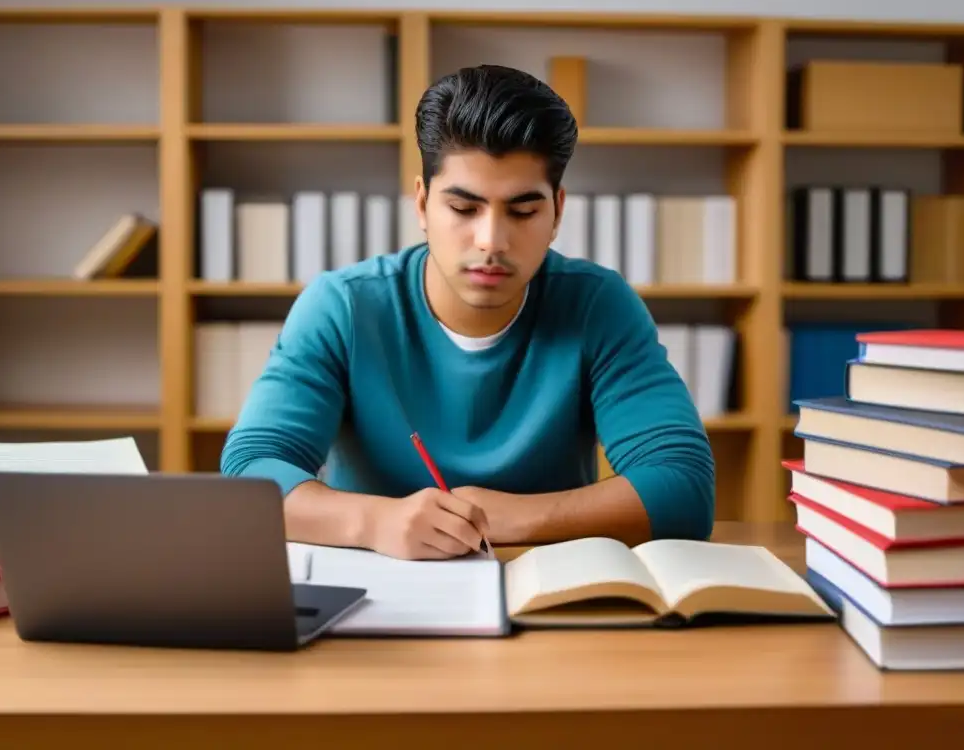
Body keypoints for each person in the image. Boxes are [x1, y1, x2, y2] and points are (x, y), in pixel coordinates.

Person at [220, 64, 715, 560]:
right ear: (422, 203)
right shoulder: (343, 305)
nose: (491, 241)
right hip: (376, 591)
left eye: (523, 212)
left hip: (549, 596)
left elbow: (682, 486)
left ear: (558, 211)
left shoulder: (598, 305)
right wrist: (373, 522)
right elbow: (251, 471)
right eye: (463, 209)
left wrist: (509, 517)